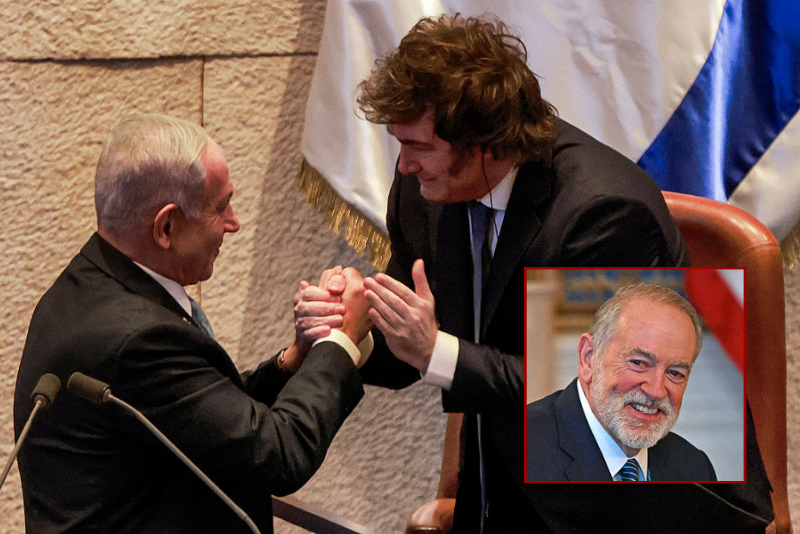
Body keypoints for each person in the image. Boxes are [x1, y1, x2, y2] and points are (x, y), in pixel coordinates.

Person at [300, 12, 773, 533]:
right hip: (509, 492)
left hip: (637, 505)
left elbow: (597, 396)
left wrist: (435, 350)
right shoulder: (426, 192)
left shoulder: (603, 214)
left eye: (418, 147)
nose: (405, 165)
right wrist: (351, 329)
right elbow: (411, 341)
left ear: (486, 145)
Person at [13, 113, 373, 533]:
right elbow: (278, 455)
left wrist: (297, 358)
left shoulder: (84, 287)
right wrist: (342, 340)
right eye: (220, 208)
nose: (234, 223)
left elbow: (207, 417)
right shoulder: (138, 339)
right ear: (166, 226)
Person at [526, 284, 716, 482]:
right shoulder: (523, 447)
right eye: (638, 363)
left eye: (675, 373)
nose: (657, 391)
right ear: (588, 357)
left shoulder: (694, 468)